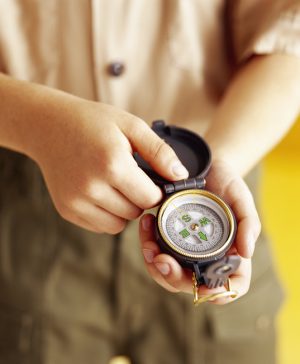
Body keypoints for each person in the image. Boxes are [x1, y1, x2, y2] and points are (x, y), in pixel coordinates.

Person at [0, 1, 299, 363]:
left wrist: (223, 163)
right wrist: (38, 125)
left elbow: (291, 36)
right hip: (29, 197)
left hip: (222, 167)